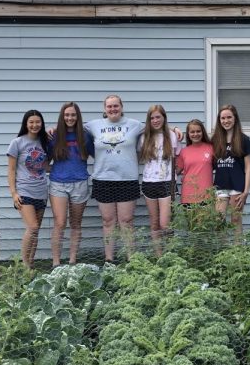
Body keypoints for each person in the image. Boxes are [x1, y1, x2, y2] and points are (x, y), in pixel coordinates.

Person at [84, 95, 144, 262]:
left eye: (116, 106)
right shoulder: (94, 125)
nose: (113, 109)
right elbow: (70, 127)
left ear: (122, 107)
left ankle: (131, 259)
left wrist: (174, 128)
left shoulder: (134, 125)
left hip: (127, 179)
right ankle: (109, 260)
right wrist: (53, 129)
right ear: (104, 109)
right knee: (108, 221)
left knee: (126, 221)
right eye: (109, 106)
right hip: (103, 179)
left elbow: (156, 127)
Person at [48, 102, 94, 267]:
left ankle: (73, 260)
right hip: (58, 184)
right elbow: (45, 162)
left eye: (73, 115)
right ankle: (56, 263)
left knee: (75, 223)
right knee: (59, 223)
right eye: (67, 115)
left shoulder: (85, 136)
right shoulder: (53, 136)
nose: (70, 118)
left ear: (77, 117)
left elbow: (98, 154)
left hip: (80, 182)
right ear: (62, 117)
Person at [6, 109, 50, 268]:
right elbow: (11, 170)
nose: (34, 125)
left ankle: (30, 264)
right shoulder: (17, 143)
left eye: (38, 122)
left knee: (35, 231)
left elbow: (44, 166)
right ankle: (24, 265)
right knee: (32, 227)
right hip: (24, 191)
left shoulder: (45, 142)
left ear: (41, 123)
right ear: (26, 124)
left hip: (41, 191)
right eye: (31, 122)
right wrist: (14, 193)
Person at [138, 104, 181, 252]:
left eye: (158, 117)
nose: (155, 120)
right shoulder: (144, 137)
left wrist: (174, 128)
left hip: (167, 183)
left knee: (165, 224)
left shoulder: (172, 136)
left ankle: (170, 254)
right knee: (155, 223)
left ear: (164, 118)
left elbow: (179, 159)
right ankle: (159, 256)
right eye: (152, 118)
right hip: (149, 183)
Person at [211, 104, 250, 233]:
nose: (226, 121)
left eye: (229, 117)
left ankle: (238, 251)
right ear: (219, 120)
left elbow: (248, 166)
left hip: (237, 186)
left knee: (235, 220)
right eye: (223, 118)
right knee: (219, 220)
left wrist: (246, 191)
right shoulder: (215, 140)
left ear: (235, 118)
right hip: (220, 186)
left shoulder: (243, 139)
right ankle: (222, 251)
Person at [175, 118, 215, 205]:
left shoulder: (211, 148)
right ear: (188, 134)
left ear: (202, 132)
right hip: (188, 196)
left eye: (198, 131)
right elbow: (176, 172)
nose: (195, 134)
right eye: (192, 132)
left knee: (207, 219)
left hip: (207, 196)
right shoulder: (184, 151)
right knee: (190, 219)